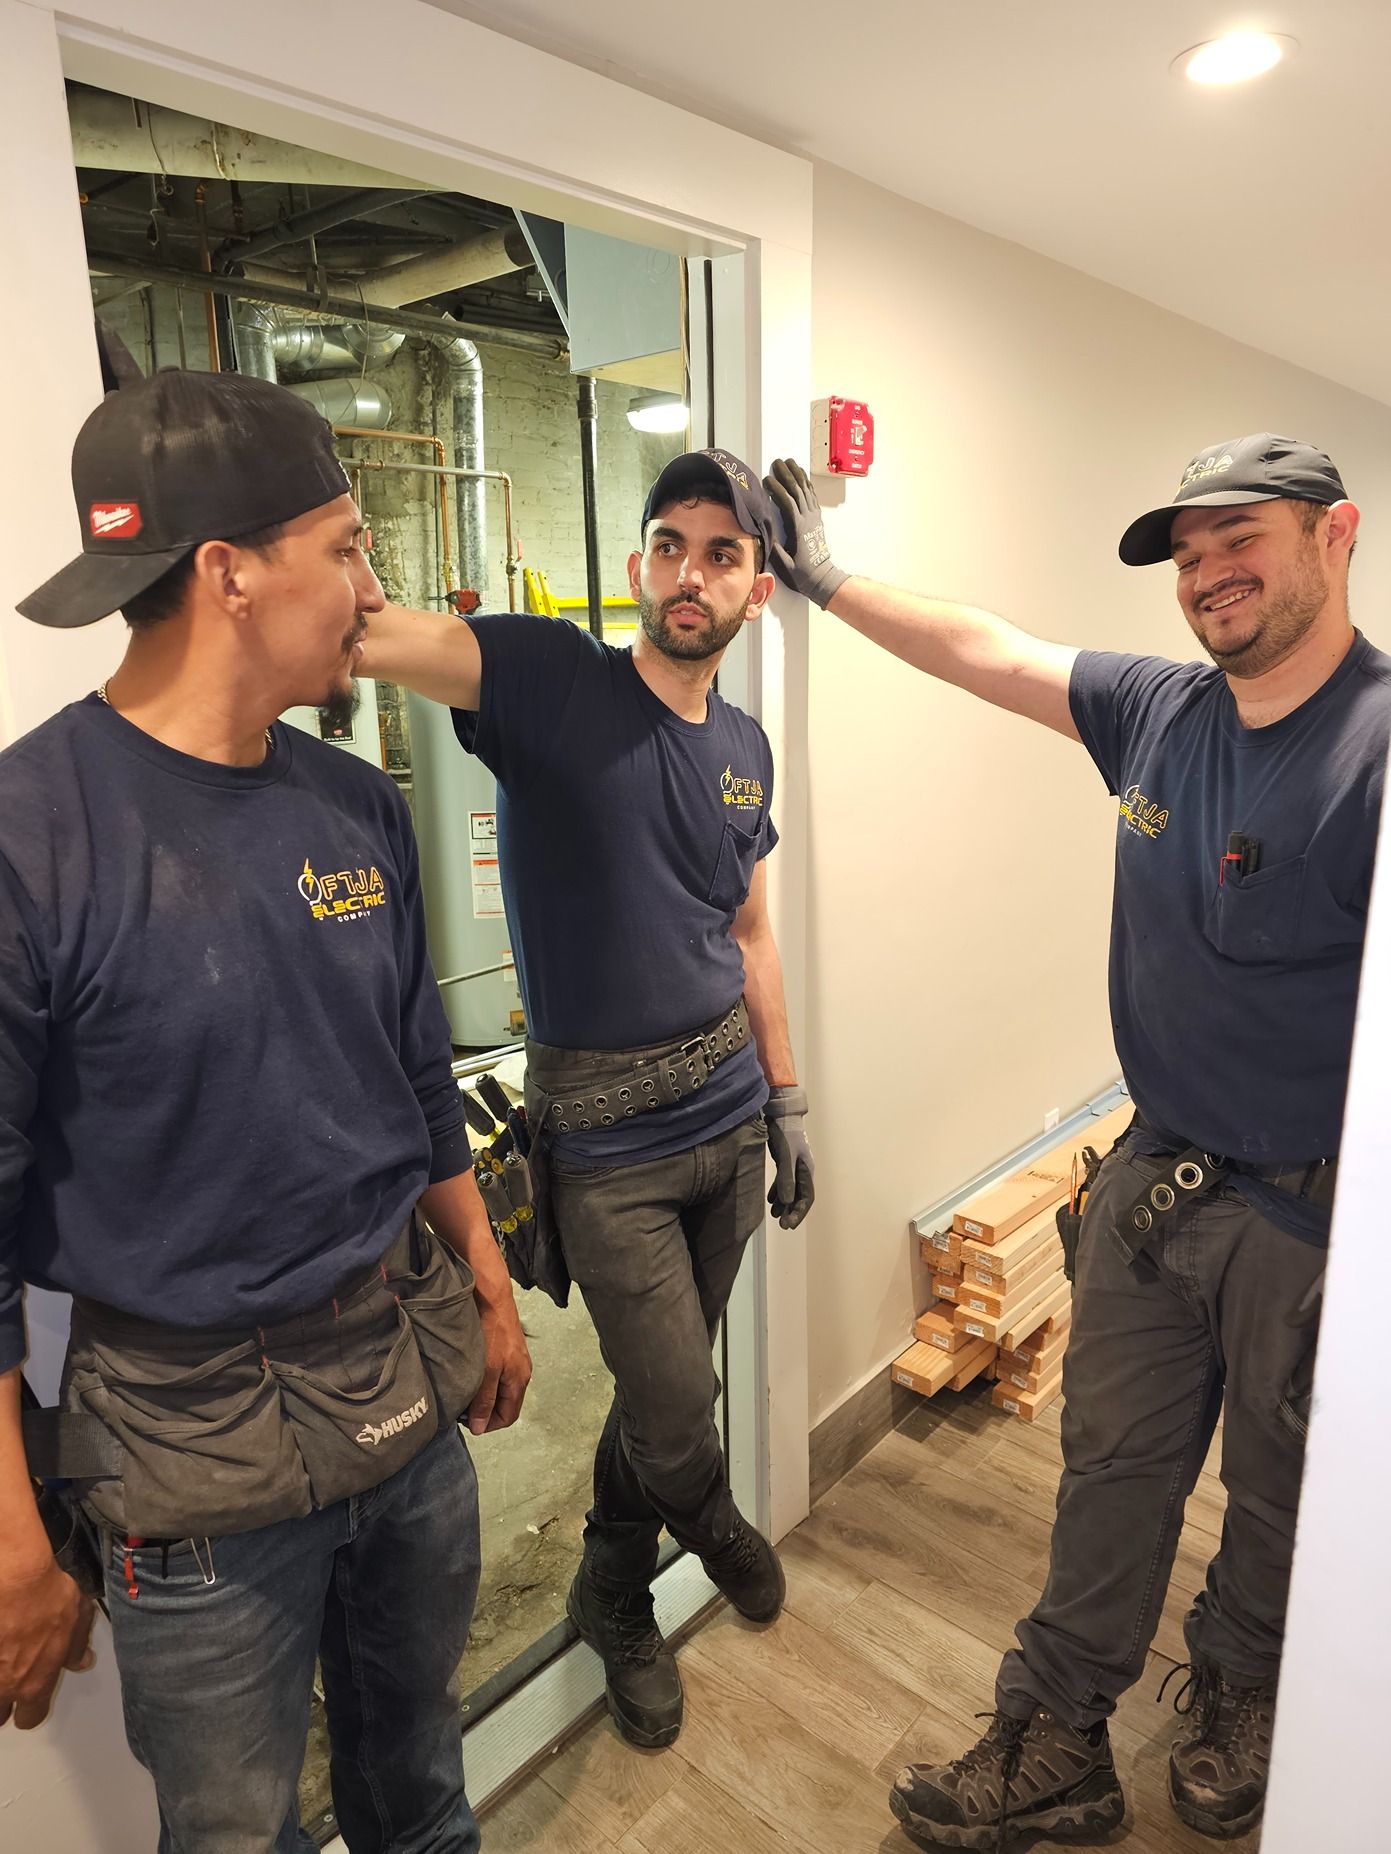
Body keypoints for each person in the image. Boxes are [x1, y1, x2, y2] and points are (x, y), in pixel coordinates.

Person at [764, 436, 1390, 1847]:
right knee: (1110, 1467)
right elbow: (989, 650)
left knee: (1283, 1491)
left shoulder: (1380, 745)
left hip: (1317, 1220)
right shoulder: (1161, 711)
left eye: (1245, 538)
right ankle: (1057, 1736)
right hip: (1154, 1188)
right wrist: (828, 577)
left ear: (1336, 533)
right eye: (1188, 553)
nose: (1210, 573)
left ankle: (1242, 1685)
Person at [0, 367, 531, 1854]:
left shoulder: (353, 804)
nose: (370, 589)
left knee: (421, 1781)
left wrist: (487, 1279)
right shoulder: (32, 840)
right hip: (191, 1455)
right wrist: (13, 1539)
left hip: (406, 1393)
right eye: (348, 545)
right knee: (235, 1833)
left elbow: (419, 1069)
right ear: (229, 574)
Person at [359, 446, 814, 1750]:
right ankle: (709, 1517)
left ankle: (610, 1589)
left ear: (757, 590)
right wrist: (312, 563)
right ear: (638, 567)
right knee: (678, 1408)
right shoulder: (555, 681)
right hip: (607, 1147)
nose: (691, 571)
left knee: (657, 1394)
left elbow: (750, 932)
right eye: (671, 543)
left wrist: (787, 1099)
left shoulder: (744, 749)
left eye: (723, 552)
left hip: (727, 1116)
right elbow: (394, 639)